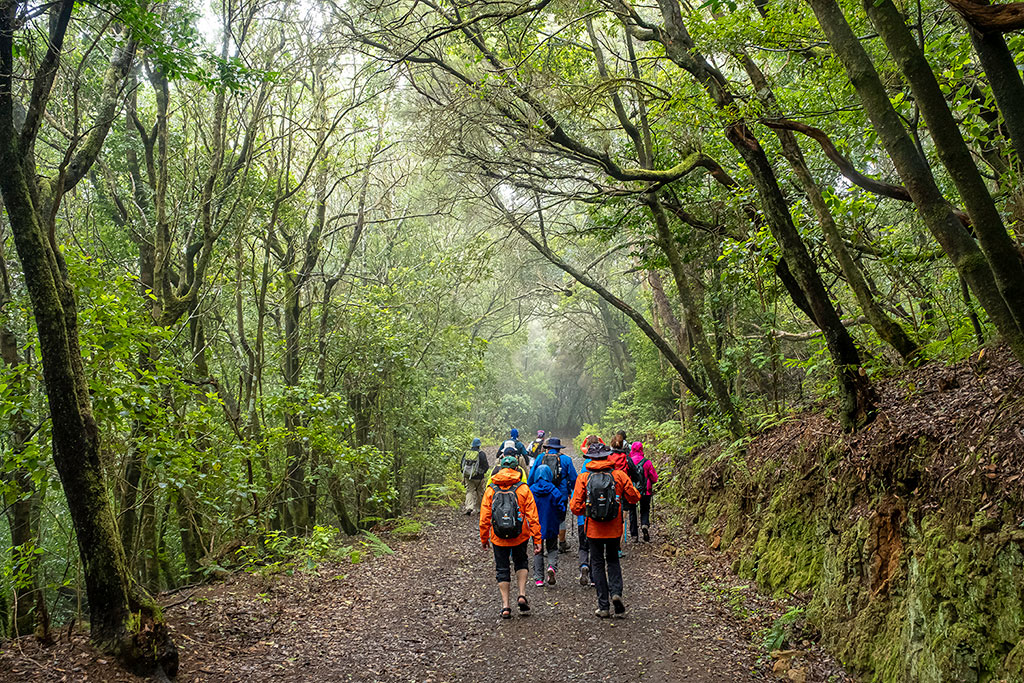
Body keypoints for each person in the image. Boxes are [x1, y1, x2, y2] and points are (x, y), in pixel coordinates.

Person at [569, 441, 640, 618]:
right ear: (607, 456)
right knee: (613, 560)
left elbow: (574, 507)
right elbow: (634, 497)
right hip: (614, 528)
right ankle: (616, 593)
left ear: (590, 458)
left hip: (593, 529)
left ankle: (603, 606)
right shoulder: (619, 475)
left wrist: (588, 511)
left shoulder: (584, 477)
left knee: (597, 564)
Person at [480, 454, 542, 619]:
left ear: (500, 469)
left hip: (498, 537)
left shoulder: (491, 489)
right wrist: (537, 539)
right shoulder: (523, 489)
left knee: (502, 568)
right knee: (521, 562)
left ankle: (505, 605)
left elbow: (485, 517)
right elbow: (533, 517)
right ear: (517, 469)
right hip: (520, 535)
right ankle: (521, 594)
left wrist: (484, 537)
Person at [528, 437, 577, 552]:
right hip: (560, 493)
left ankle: (542, 545)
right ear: (558, 448)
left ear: (548, 448)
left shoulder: (540, 458)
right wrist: (571, 490)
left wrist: (531, 489)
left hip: (540, 493)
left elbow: (531, 476)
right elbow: (574, 478)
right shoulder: (566, 459)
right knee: (560, 518)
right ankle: (562, 543)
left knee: (541, 516)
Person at [576, 434, 605, 586]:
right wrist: (601, 439)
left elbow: (578, 495)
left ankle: (583, 565)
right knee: (596, 548)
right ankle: (594, 578)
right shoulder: (608, 466)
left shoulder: (585, 467)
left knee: (583, 546)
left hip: (584, 517)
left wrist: (577, 510)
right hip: (601, 515)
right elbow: (608, 449)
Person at [529, 464, 564, 587]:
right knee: (552, 548)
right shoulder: (554, 490)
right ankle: (551, 567)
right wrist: (559, 518)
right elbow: (561, 507)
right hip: (551, 523)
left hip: (536, 526)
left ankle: (539, 578)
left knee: (537, 550)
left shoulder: (531, 490)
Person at [629, 441, 658, 542]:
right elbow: (654, 477)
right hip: (646, 490)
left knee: (632, 511)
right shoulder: (647, 462)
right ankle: (644, 524)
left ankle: (634, 535)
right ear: (641, 449)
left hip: (632, 490)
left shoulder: (629, 461)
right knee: (645, 509)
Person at [462, 438, 489, 515]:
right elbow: (486, 466)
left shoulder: (466, 453)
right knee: (479, 491)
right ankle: (479, 509)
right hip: (479, 478)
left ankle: (469, 507)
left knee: (469, 491)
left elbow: (462, 465)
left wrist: (465, 474)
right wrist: (482, 473)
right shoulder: (482, 454)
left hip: (468, 477)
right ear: (479, 445)